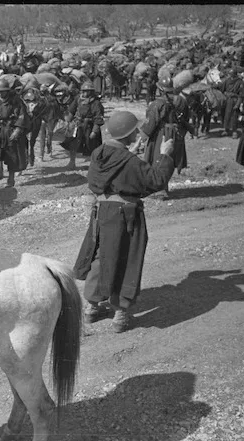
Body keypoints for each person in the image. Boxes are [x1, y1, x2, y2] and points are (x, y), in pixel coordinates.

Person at [74, 110, 176, 333]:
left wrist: (130, 154)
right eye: (135, 130)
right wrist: (165, 156)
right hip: (126, 215)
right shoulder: (130, 162)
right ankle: (120, 313)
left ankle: (91, 307)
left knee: (99, 257)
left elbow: (105, 176)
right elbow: (157, 180)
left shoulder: (98, 153)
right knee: (127, 259)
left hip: (101, 212)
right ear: (129, 134)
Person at [140, 76, 192, 198]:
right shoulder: (182, 101)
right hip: (177, 134)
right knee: (170, 160)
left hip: (161, 134)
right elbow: (187, 118)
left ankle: (160, 189)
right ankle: (164, 186)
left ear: (160, 90)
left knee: (158, 159)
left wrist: (143, 137)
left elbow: (150, 123)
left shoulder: (157, 104)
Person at [61, 81, 104, 170]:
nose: (83, 93)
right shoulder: (78, 99)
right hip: (78, 125)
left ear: (90, 92)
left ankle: (94, 165)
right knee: (72, 143)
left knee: (91, 145)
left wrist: (94, 131)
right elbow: (71, 111)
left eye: (86, 91)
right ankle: (72, 162)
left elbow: (98, 117)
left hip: (89, 127)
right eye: (83, 91)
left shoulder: (96, 102)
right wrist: (67, 121)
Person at [218, 68, 244, 139]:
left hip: (234, 100)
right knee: (225, 115)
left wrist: (237, 104)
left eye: (231, 74)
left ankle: (234, 131)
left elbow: (241, 95)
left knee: (234, 116)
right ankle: (226, 129)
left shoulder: (240, 82)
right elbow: (222, 90)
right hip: (226, 100)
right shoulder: (227, 80)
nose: (229, 75)